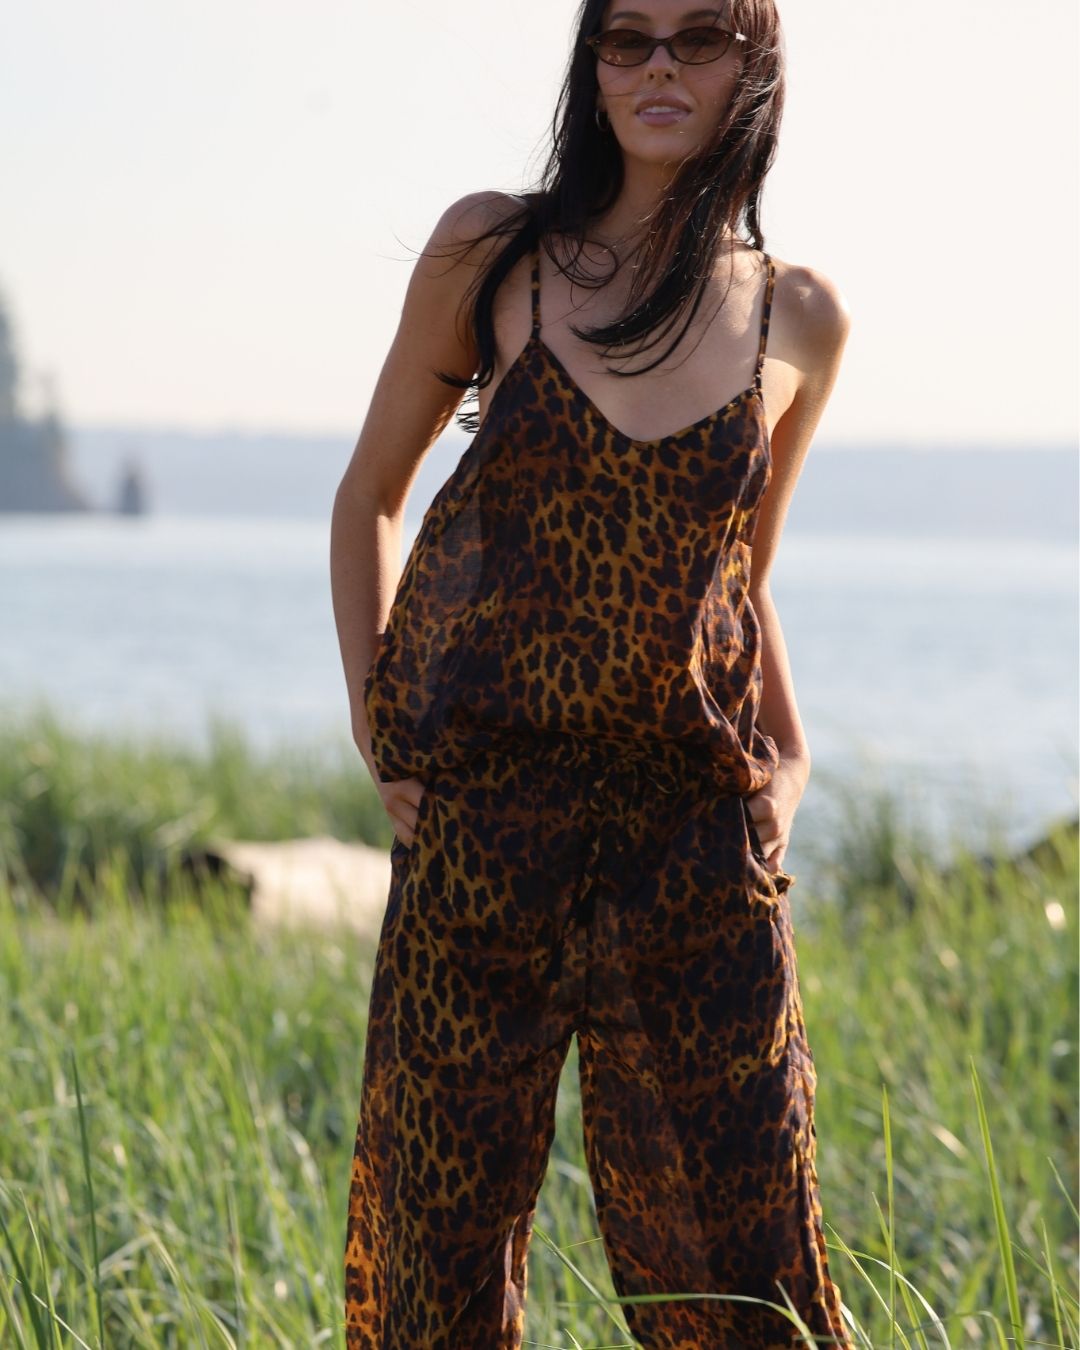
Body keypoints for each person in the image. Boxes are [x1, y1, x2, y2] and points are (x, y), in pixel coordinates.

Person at [331, 1, 853, 1345]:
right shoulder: (494, 253)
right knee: (432, 1270)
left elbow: (741, 581)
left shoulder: (799, 316)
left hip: (692, 840)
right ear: (593, 61)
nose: (663, 68)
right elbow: (367, 503)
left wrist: (787, 772)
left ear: (758, 63)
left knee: (752, 1276)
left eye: (702, 37)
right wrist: (382, 730)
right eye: (631, 38)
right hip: (488, 828)